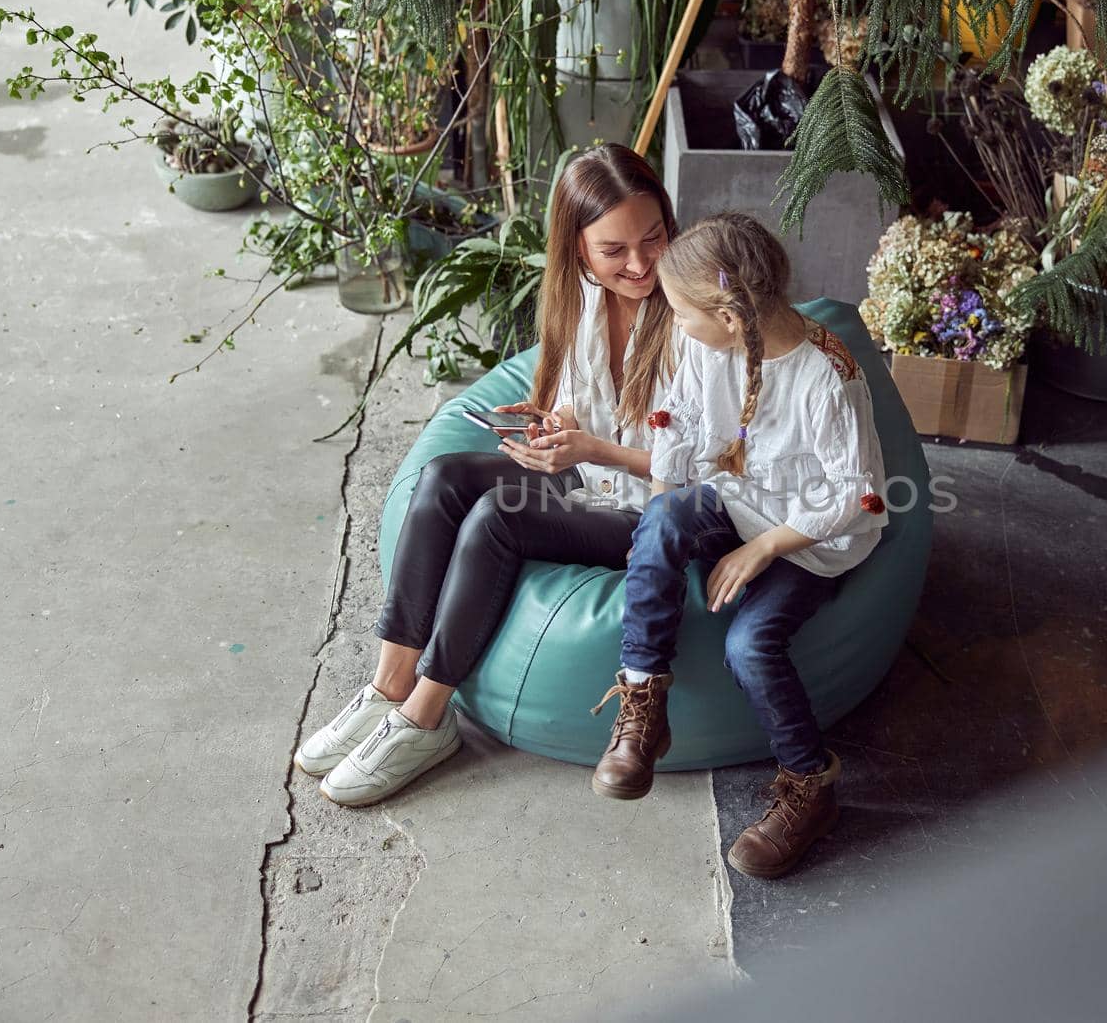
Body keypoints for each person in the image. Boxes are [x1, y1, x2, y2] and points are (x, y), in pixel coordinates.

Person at [294, 144, 680, 807]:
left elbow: (703, 467)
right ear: (578, 250)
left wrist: (589, 448)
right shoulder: (583, 300)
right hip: (590, 476)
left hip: (652, 511)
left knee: (496, 518)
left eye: (653, 237)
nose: (640, 263)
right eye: (614, 250)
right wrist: (547, 425)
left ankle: (426, 713)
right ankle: (390, 682)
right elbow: (579, 406)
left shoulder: (692, 310)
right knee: (443, 478)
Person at [589, 212, 889, 879]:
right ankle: (644, 700)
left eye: (681, 313)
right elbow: (676, 419)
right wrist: (667, 505)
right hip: (738, 502)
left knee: (749, 645)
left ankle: (811, 782)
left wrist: (764, 549)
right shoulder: (707, 346)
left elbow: (860, 497)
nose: (675, 324)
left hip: (811, 538)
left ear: (728, 315)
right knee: (665, 518)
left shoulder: (826, 378)